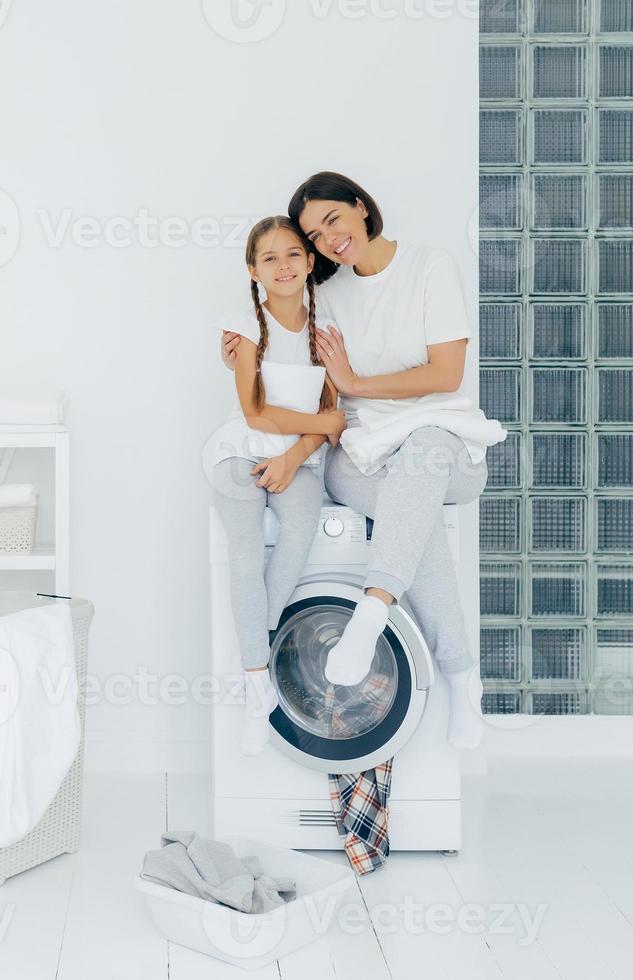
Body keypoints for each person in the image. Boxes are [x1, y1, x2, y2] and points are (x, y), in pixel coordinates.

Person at [222, 173, 505, 749]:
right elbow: (290, 346)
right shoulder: (330, 295)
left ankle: (373, 610)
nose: (328, 239)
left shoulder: (430, 266)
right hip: (367, 455)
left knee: (421, 456)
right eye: (314, 235)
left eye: (332, 220)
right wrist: (238, 357)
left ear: (359, 206)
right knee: (410, 516)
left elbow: (445, 375)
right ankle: (462, 677)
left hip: (444, 446)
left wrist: (356, 380)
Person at [206, 215, 345, 755]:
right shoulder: (244, 329)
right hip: (239, 452)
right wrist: (322, 427)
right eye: (269, 258)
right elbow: (256, 413)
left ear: (311, 262)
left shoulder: (326, 326)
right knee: (245, 554)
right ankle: (255, 680)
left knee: (299, 532)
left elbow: (333, 408)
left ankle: (257, 646)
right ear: (253, 270)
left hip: (300, 461)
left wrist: (295, 458)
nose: (283, 266)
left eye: (293, 254)